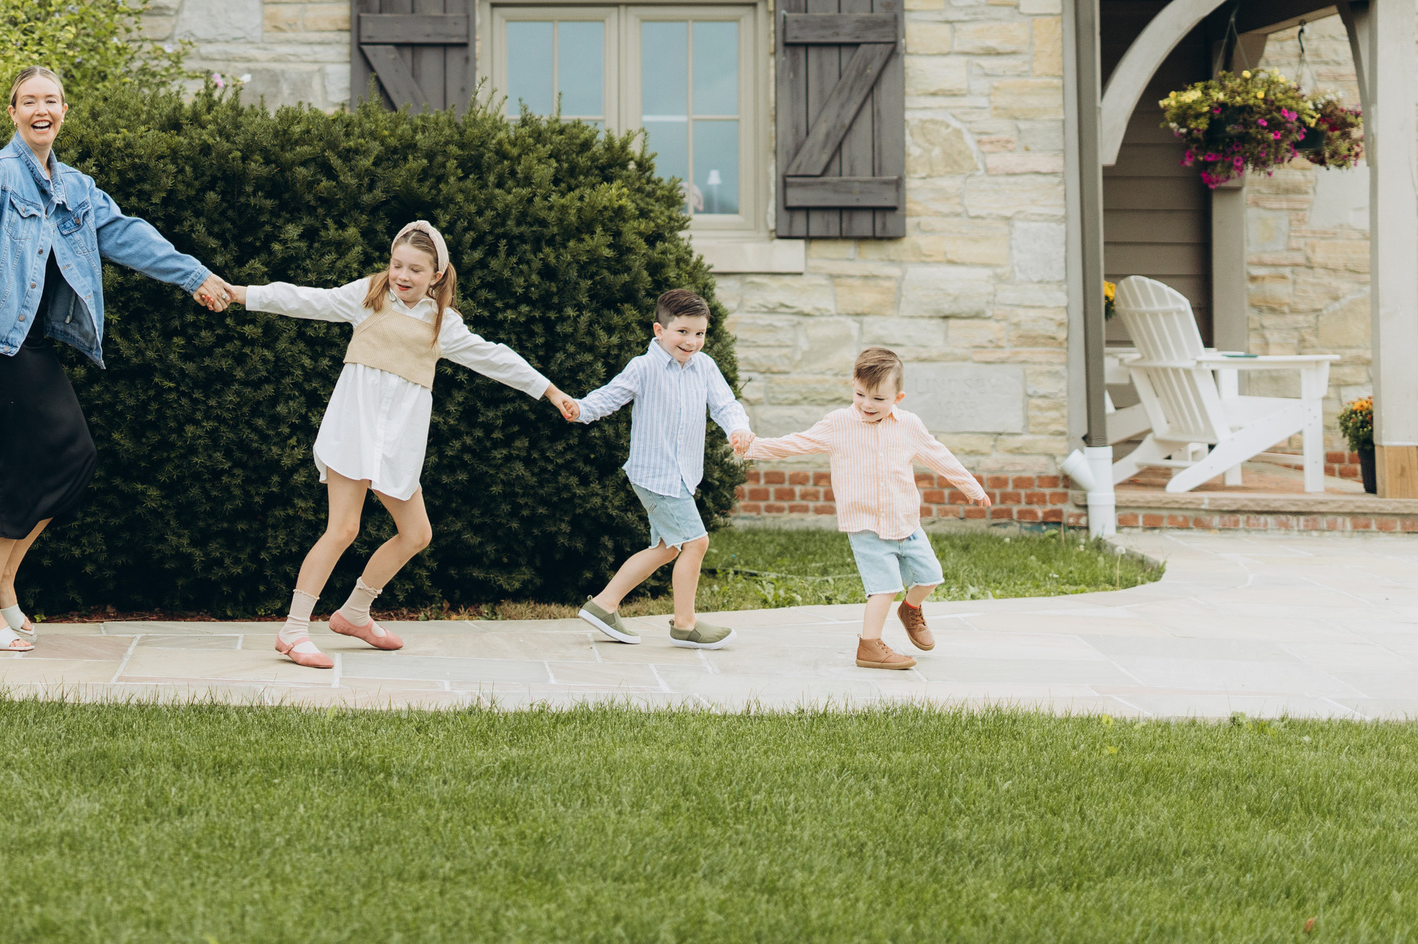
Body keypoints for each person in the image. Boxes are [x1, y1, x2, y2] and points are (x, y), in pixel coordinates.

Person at [0, 65, 230, 651]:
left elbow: (130, 235)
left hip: (28, 342)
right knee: (19, 465)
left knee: (71, 456)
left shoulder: (76, 188)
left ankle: (2, 586)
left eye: (51, 100)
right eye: (29, 100)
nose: (41, 109)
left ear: (63, 113)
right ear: (13, 113)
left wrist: (195, 276)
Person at [221, 221, 573, 670]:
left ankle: (353, 613)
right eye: (396, 264)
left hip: (397, 443)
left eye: (415, 270)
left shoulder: (443, 324)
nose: (402, 276)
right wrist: (239, 293)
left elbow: (495, 356)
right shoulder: (367, 296)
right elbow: (304, 298)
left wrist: (550, 391)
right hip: (354, 430)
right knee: (343, 529)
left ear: (437, 276)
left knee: (417, 534)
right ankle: (292, 631)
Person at [734, 346, 991, 671]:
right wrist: (753, 447)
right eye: (860, 395)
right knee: (884, 588)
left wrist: (972, 486)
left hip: (906, 522)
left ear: (898, 397)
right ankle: (869, 646)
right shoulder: (838, 423)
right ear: (853, 387)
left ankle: (910, 609)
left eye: (878, 399)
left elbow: (940, 456)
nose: (867, 405)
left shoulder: (909, 425)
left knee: (930, 577)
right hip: (866, 525)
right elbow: (796, 442)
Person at [563, 288, 755, 650]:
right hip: (655, 474)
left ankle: (603, 605)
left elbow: (726, 405)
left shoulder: (706, 367)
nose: (692, 341)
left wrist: (738, 429)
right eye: (682, 331)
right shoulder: (644, 366)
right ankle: (685, 625)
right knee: (696, 542)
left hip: (682, 474)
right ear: (659, 330)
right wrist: (581, 408)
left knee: (668, 547)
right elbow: (610, 395)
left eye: (699, 333)